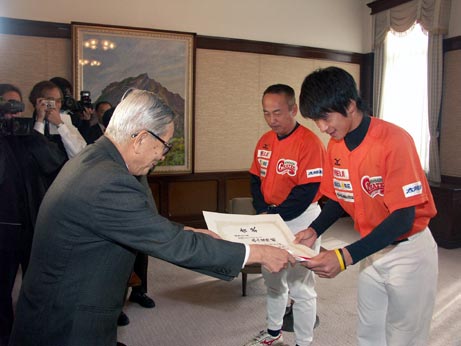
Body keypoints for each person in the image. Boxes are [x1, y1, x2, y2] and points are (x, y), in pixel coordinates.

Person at [8, 89, 295, 346]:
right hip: (65, 323)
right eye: (164, 145)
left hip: (62, 305)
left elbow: (141, 224)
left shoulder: (98, 160)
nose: (162, 156)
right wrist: (257, 252)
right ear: (141, 138)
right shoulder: (109, 182)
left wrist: (190, 231)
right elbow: (172, 245)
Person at [295, 66, 438, 346]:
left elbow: (403, 218)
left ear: (349, 105)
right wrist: (314, 229)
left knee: (405, 336)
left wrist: (344, 257)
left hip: (408, 252)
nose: (322, 128)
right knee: (369, 331)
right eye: (315, 120)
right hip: (372, 247)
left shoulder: (394, 141)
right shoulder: (336, 145)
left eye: (325, 117)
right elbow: (338, 197)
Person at [245, 84, 326, 346]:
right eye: (266, 113)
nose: (271, 120)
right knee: (273, 280)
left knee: (301, 286)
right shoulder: (265, 140)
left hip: (302, 220)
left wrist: (275, 214)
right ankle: (273, 333)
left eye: (277, 113)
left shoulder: (309, 142)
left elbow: (307, 190)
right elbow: (255, 179)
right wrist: (264, 211)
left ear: (293, 109)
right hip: (270, 217)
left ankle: (304, 341)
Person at [0, 84, 67, 346]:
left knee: (35, 285)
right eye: (6, 105)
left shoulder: (28, 134)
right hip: (3, 227)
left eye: (17, 106)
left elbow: (54, 163)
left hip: (31, 223)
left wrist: (33, 132)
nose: (12, 112)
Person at [29, 80, 87, 159]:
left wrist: (60, 124)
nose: (56, 105)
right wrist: (40, 120)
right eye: (51, 100)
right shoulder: (29, 124)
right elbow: (37, 154)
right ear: (39, 101)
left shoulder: (65, 120)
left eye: (59, 101)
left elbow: (80, 153)